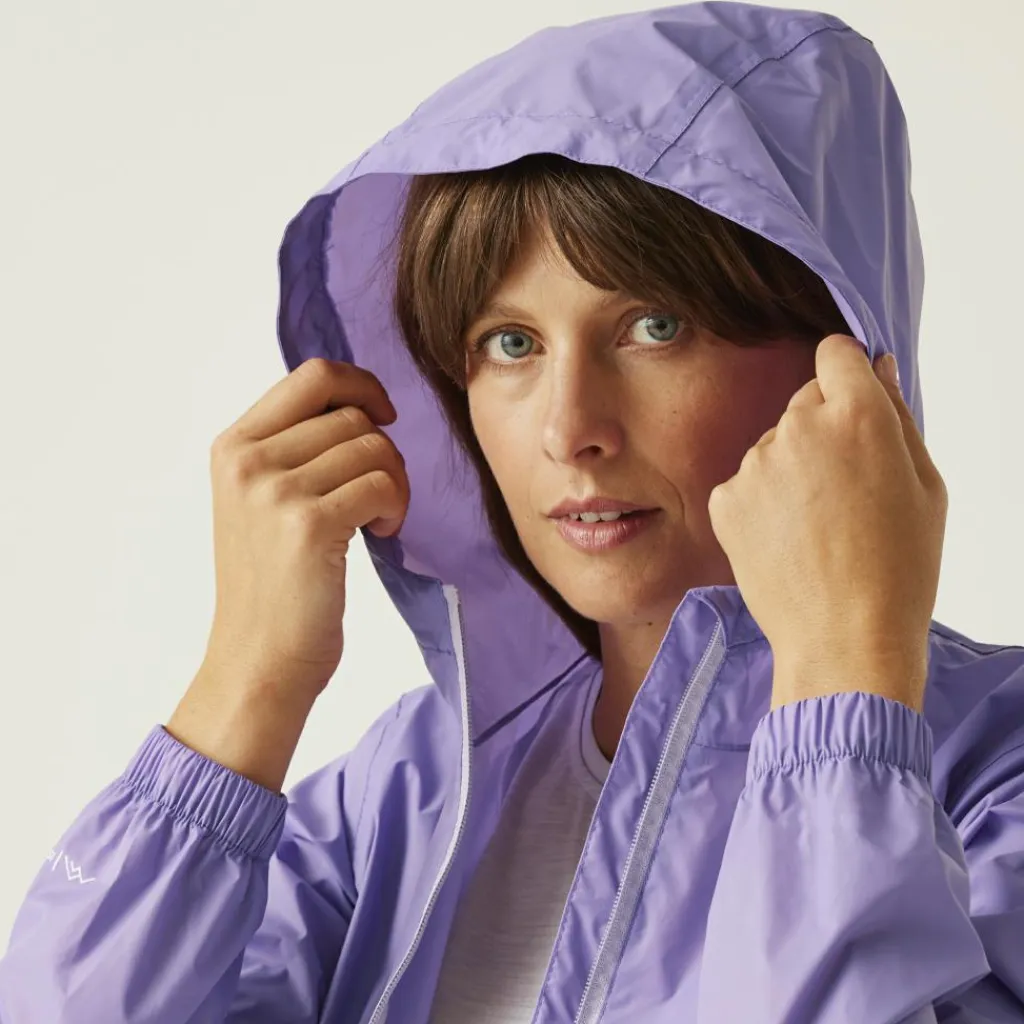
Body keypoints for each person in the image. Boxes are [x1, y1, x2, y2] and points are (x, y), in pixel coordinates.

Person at [1, 3, 1022, 1022]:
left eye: (654, 326)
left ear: (842, 357)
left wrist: (847, 697)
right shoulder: (406, 795)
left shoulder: (995, 771)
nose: (568, 430)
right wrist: (246, 682)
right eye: (511, 345)